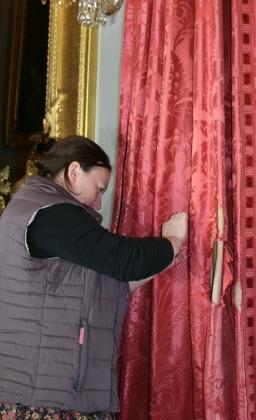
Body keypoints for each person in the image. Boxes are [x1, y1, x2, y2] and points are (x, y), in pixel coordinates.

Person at [0, 135, 187, 419]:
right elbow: (123, 259)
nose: (99, 203)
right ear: (74, 172)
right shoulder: (50, 214)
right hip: (46, 401)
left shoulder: (37, 211)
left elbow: (109, 282)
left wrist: (164, 260)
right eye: (99, 189)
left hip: (46, 395)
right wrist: (172, 239)